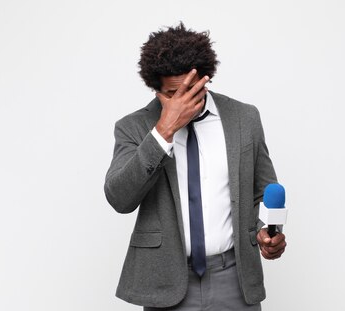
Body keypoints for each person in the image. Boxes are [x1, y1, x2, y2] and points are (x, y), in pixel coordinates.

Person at [104, 23, 287, 310]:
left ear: (206, 79)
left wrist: (267, 231)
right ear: (155, 90)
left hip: (234, 278)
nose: (181, 103)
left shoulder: (244, 118)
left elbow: (262, 191)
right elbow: (120, 198)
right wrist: (164, 129)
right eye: (171, 94)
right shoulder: (133, 127)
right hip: (167, 281)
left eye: (190, 91)